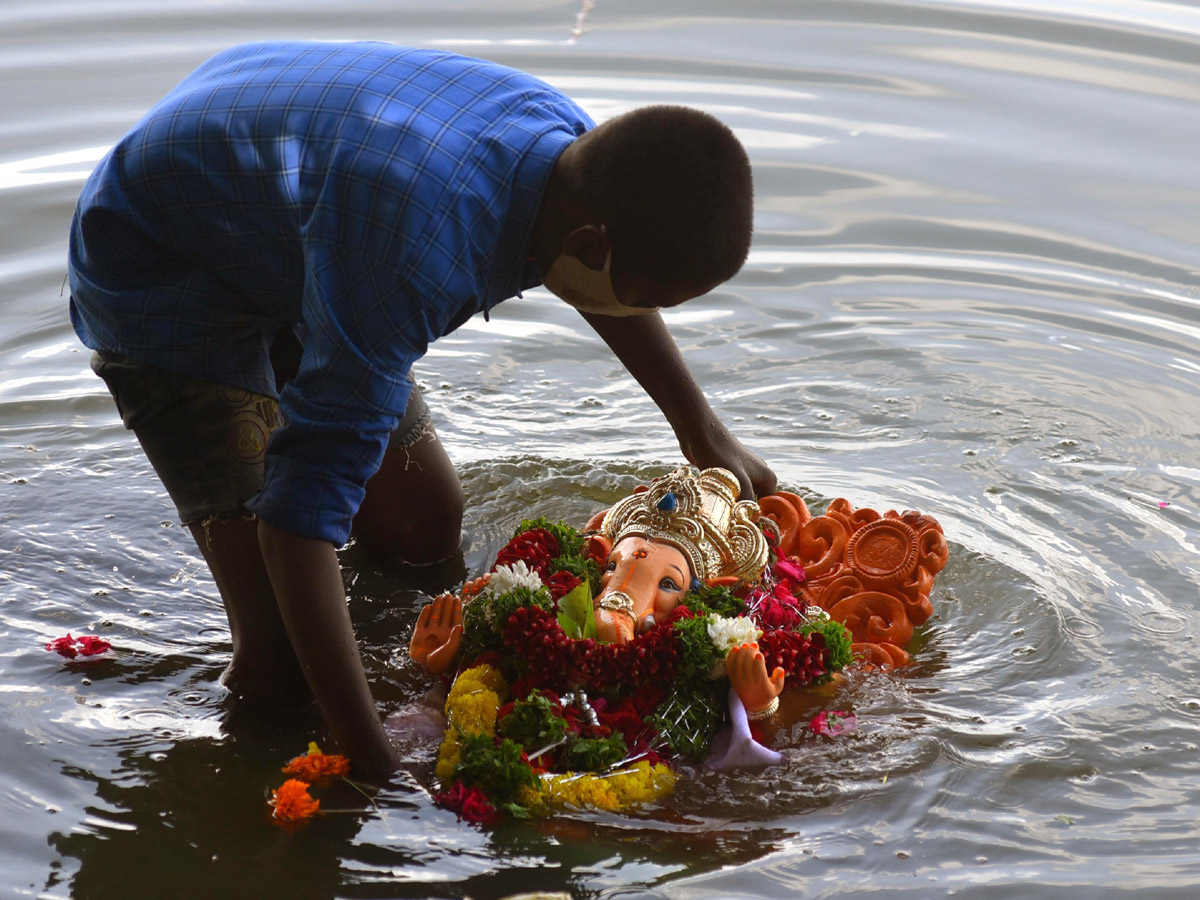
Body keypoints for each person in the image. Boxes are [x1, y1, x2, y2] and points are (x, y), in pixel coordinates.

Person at [68, 40, 777, 772]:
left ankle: (378, 668)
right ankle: (256, 776)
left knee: (424, 521)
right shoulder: (410, 258)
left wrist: (704, 432)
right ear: (589, 240)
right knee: (281, 665)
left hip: (292, 211)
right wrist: (373, 769)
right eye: (651, 297)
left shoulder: (572, 159)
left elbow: (602, 280)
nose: (642, 311)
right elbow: (296, 522)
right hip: (163, 260)